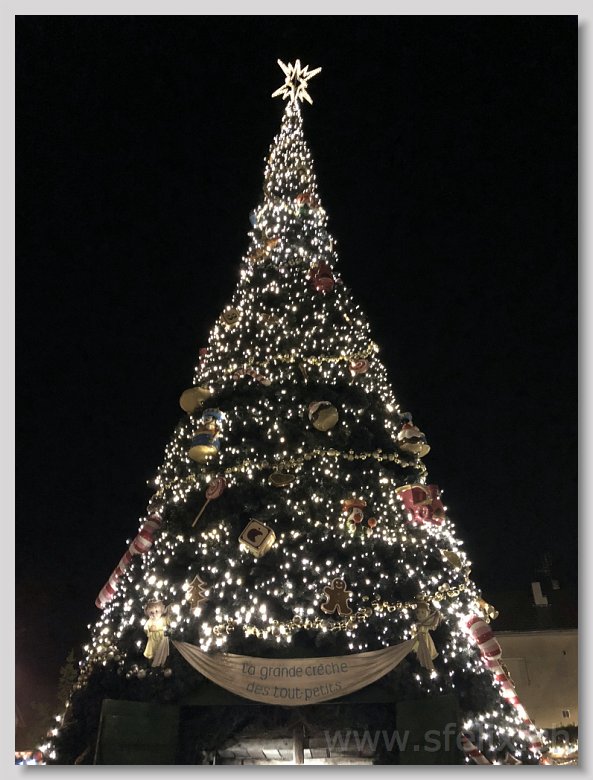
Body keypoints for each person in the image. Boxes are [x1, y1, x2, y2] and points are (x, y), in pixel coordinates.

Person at [143, 600, 170, 667]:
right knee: (153, 652)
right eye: (151, 613)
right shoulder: (150, 621)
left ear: (161, 610)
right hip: (153, 641)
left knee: (161, 651)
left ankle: (162, 663)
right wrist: (149, 629)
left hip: (161, 639)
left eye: (157, 611)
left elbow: (168, 623)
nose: (154, 614)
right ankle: (153, 663)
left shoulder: (163, 619)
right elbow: (145, 628)